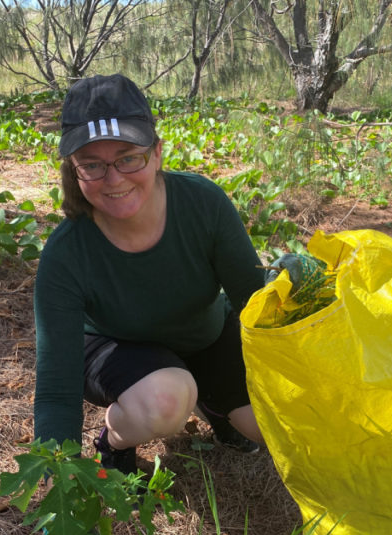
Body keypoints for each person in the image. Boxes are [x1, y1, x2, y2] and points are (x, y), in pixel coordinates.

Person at [32, 73, 265, 475]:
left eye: (128, 157)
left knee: (270, 425)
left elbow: (254, 300)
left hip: (204, 337)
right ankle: (115, 439)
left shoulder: (202, 204)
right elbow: (57, 387)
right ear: (73, 169)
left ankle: (214, 403)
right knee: (166, 400)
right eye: (92, 165)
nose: (113, 179)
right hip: (116, 348)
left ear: (156, 152)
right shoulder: (66, 252)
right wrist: (61, 485)